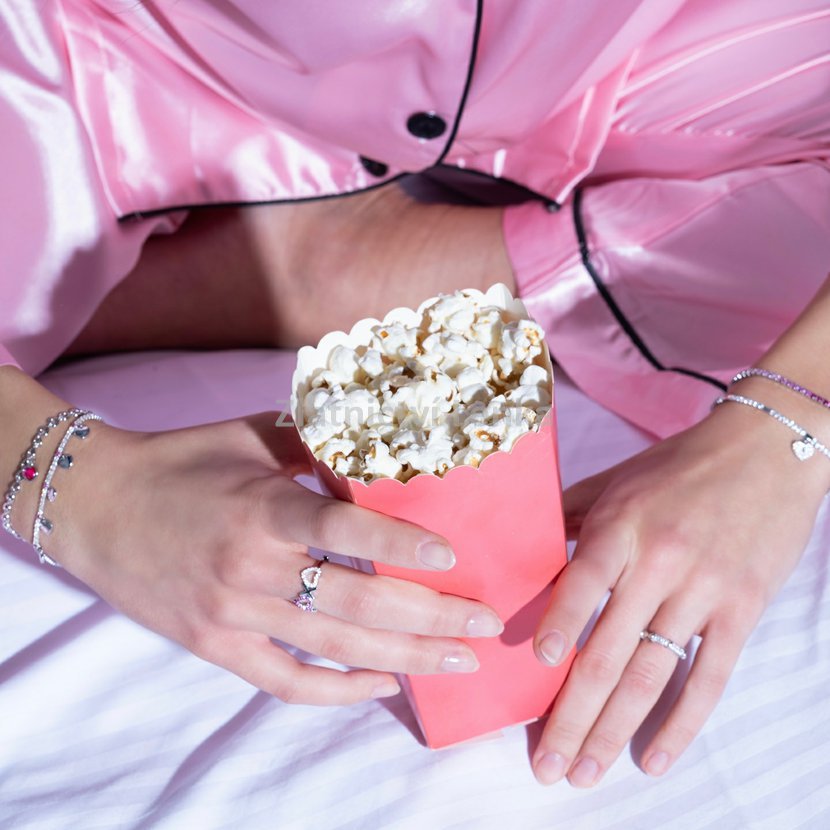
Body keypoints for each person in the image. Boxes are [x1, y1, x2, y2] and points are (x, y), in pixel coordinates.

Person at [2, 0, 829, 791]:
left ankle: (318, 268)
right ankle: (223, 272)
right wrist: (85, 494)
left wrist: (788, 423)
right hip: (126, 90)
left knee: (787, 277)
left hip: (637, 52)